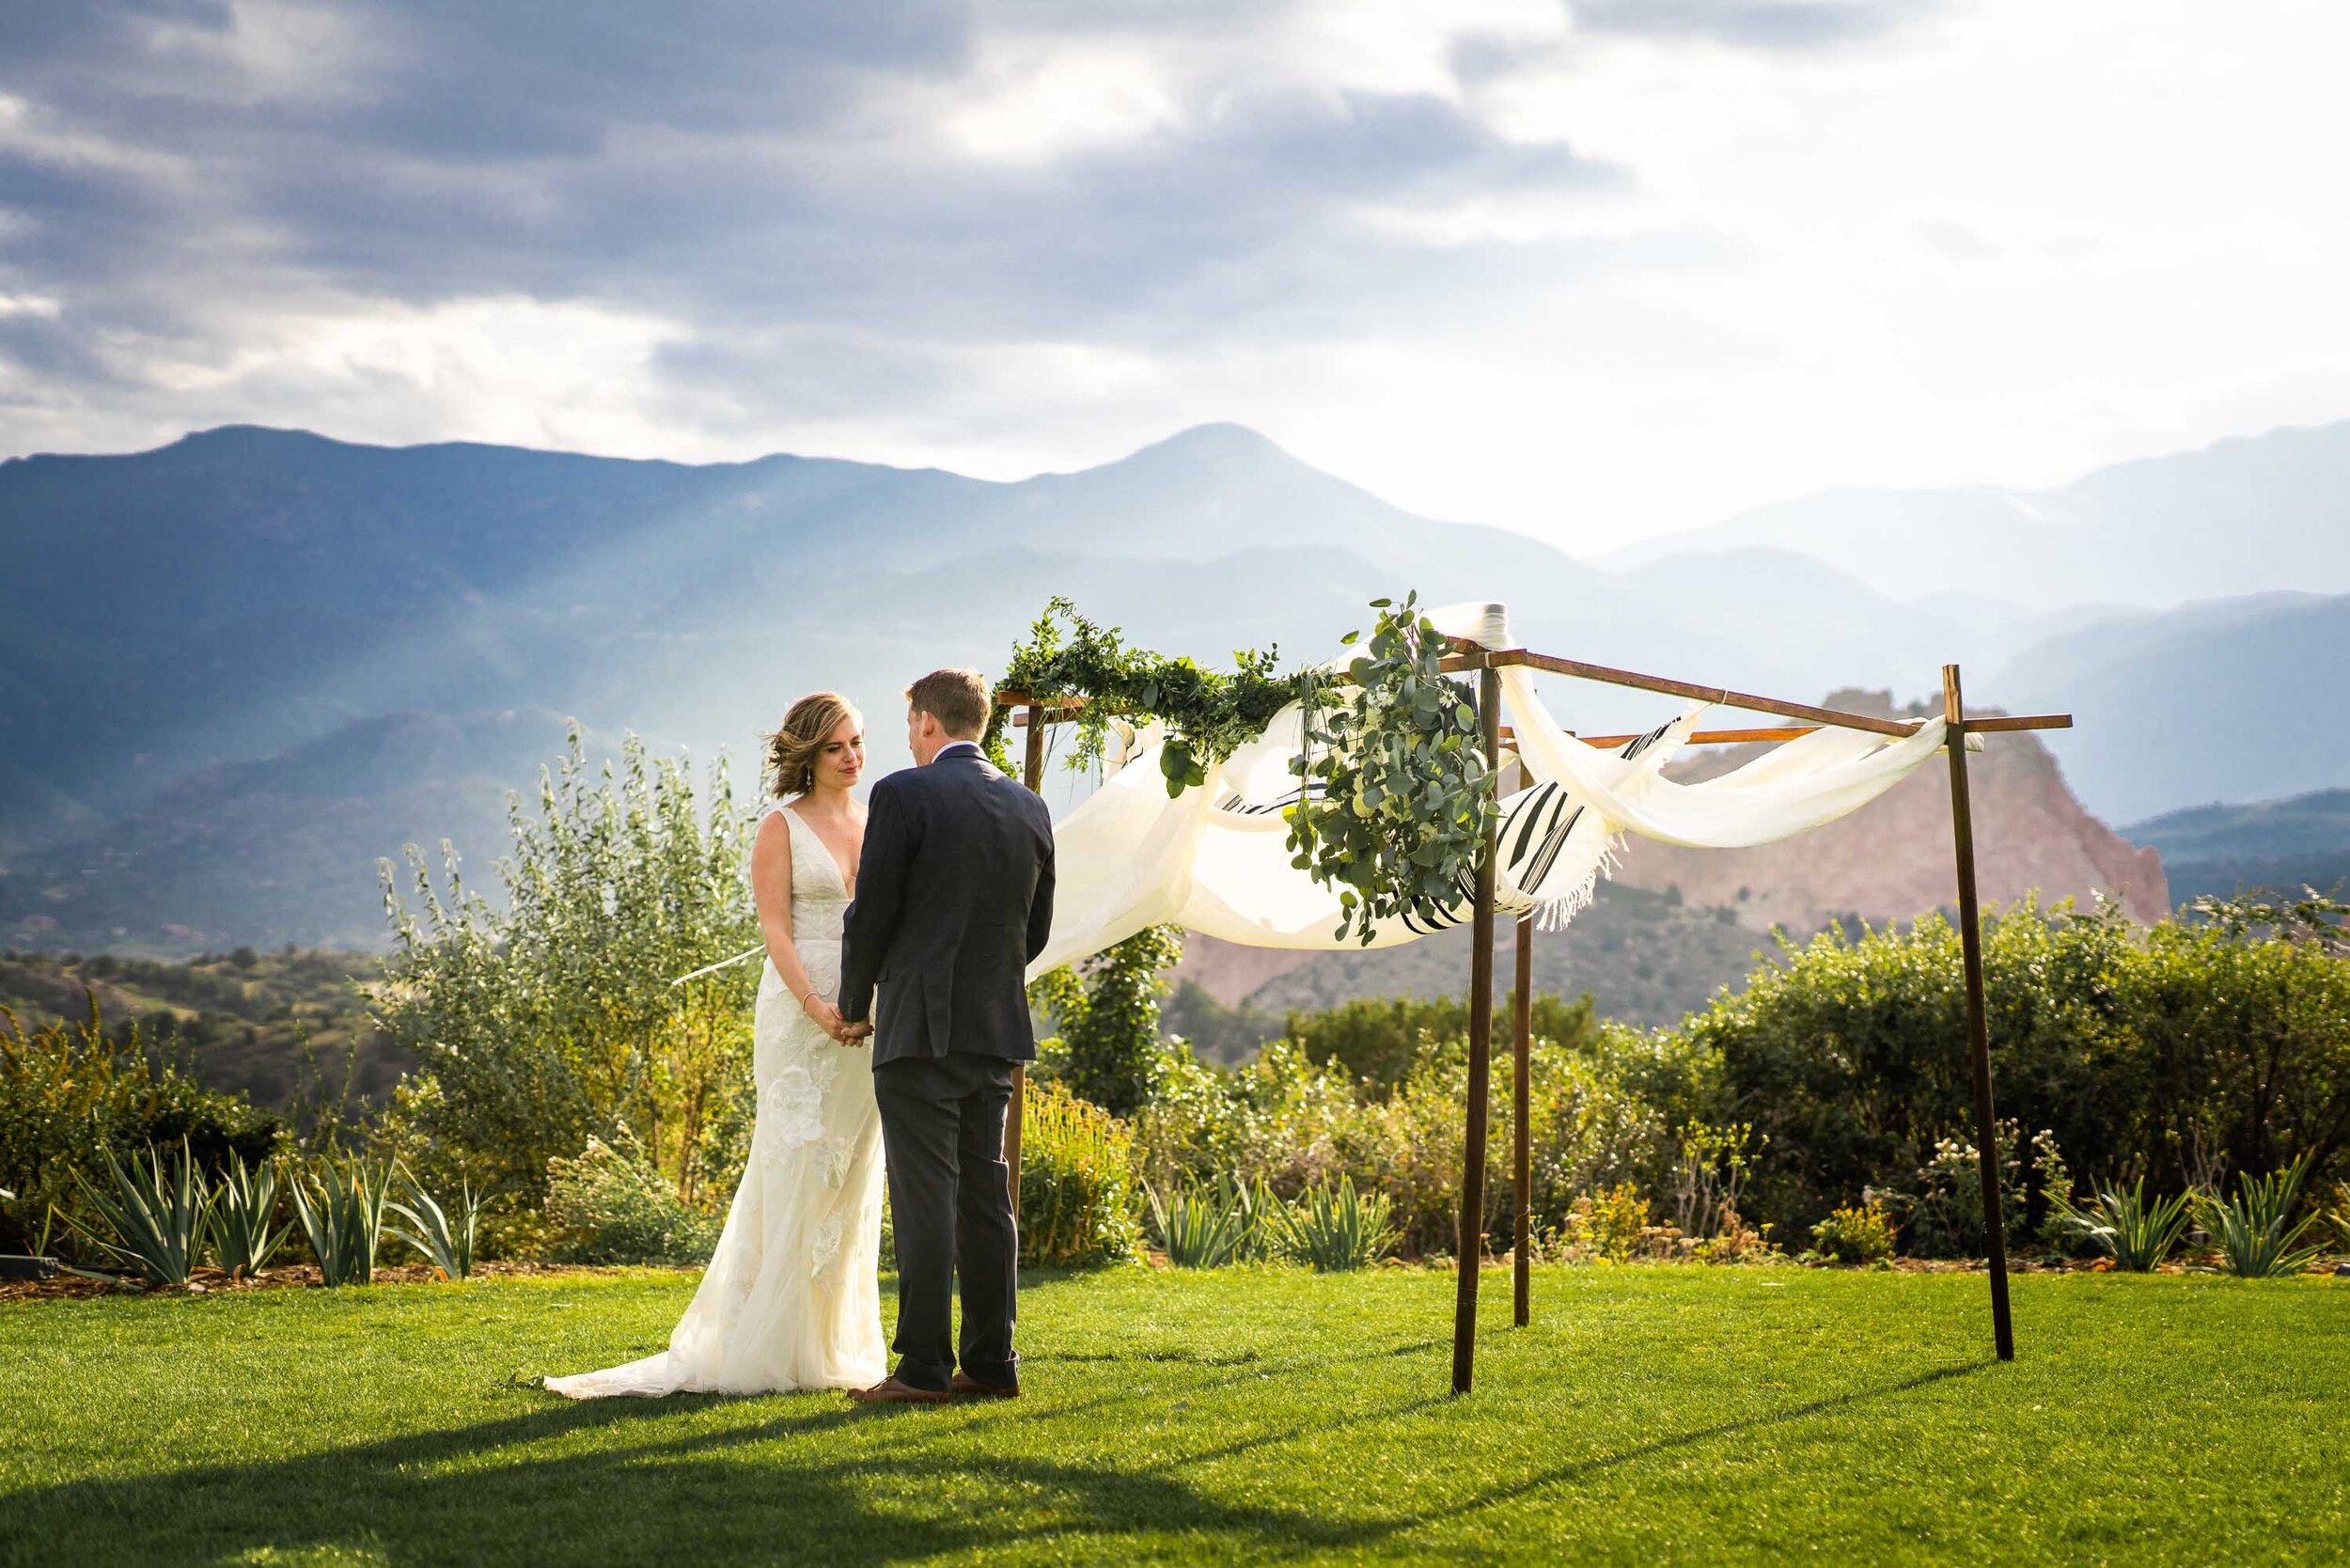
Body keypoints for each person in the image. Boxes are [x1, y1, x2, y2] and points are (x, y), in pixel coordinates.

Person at [544, 693, 888, 1398]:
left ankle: (827, 1345)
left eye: (857, 742)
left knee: (849, 1176)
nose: (852, 756)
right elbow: (777, 933)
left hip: (872, 1013)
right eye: (836, 747)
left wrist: (872, 1001)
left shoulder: (879, 820)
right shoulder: (781, 828)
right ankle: (762, 1343)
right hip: (801, 1015)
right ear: (807, 756)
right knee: (793, 1165)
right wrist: (819, 1007)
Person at [837, 668, 1056, 1405]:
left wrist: (852, 1000)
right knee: (985, 1195)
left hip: (918, 1028)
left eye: (909, 726)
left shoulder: (903, 792)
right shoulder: (1030, 807)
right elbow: (1035, 932)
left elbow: (871, 915)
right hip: (995, 1029)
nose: (908, 739)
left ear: (928, 722)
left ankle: (923, 1369)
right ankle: (993, 1364)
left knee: (926, 1196)